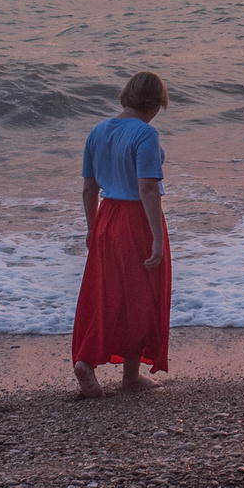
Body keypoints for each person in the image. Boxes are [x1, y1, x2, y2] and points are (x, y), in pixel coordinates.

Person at [74, 71, 172, 399]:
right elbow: (147, 186)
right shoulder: (145, 134)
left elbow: (89, 188)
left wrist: (91, 228)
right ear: (156, 103)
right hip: (136, 220)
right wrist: (157, 238)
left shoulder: (98, 131)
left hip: (106, 218)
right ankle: (130, 376)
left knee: (106, 297)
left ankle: (87, 361)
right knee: (142, 299)